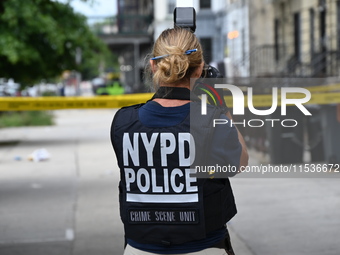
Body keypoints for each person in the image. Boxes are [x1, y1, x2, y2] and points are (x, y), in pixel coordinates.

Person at [110, 27, 248, 255]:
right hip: (204, 247)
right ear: (200, 69)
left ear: (153, 65)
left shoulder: (124, 121)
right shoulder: (212, 119)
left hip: (140, 248)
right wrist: (219, 105)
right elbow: (240, 162)